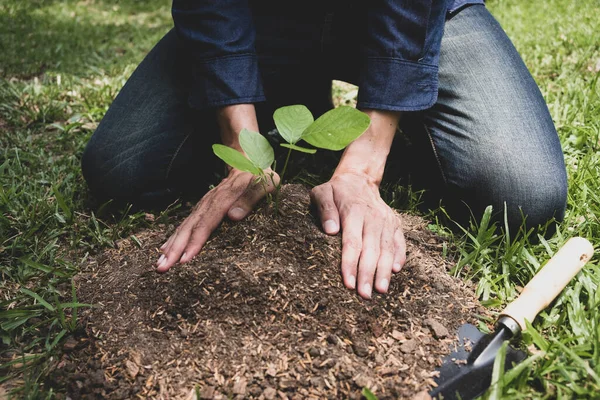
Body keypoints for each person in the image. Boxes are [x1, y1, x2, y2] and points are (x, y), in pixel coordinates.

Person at [81, 0, 568, 300]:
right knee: (120, 167)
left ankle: (403, 110)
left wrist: (364, 166)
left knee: (522, 189)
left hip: (418, 13)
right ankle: (295, 90)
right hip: (265, 16)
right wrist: (244, 151)